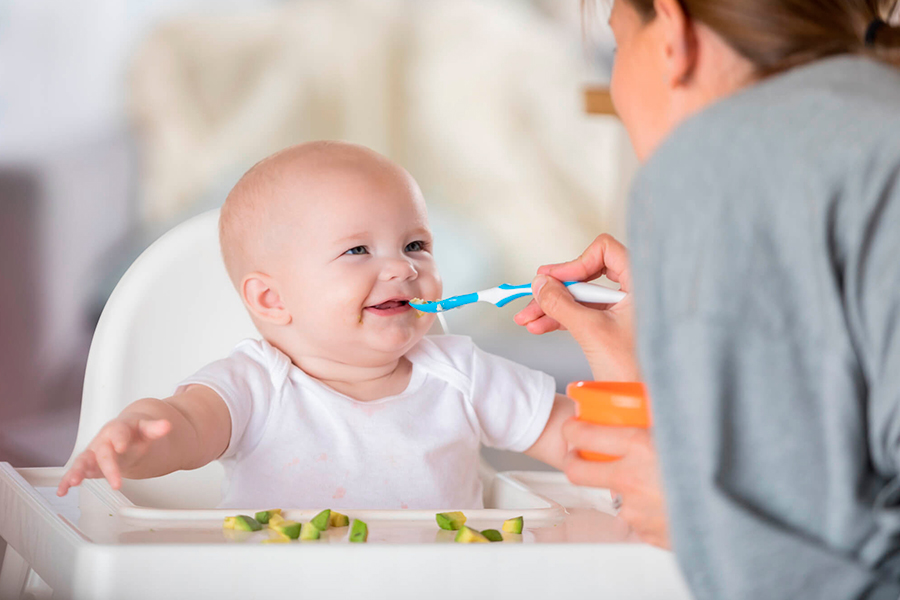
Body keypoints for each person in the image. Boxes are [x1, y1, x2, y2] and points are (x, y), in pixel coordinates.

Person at [516, 0, 900, 598]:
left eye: (618, 47)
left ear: (671, 29)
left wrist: (704, 517)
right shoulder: (872, 118)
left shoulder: (716, 157)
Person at [56, 141, 576, 509]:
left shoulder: (461, 375)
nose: (403, 268)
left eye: (415, 244)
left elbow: (572, 435)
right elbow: (186, 425)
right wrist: (139, 439)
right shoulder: (256, 385)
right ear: (272, 298)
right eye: (357, 250)